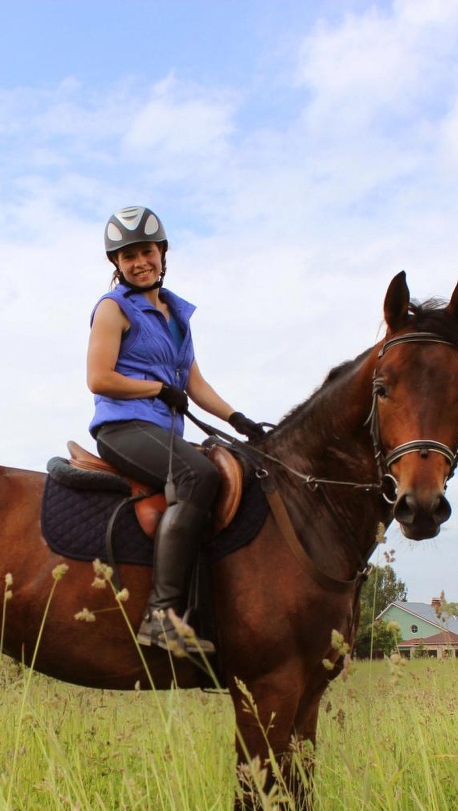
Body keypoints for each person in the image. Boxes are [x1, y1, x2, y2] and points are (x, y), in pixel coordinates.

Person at [85, 206, 266, 655]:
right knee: (198, 476)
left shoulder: (176, 314)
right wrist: (157, 387)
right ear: (117, 265)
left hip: (163, 430)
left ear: (162, 253)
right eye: (128, 257)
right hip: (123, 426)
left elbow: (195, 383)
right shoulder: (113, 309)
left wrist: (236, 418)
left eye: (146, 251)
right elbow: (98, 377)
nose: (139, 262)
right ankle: (161, 616)